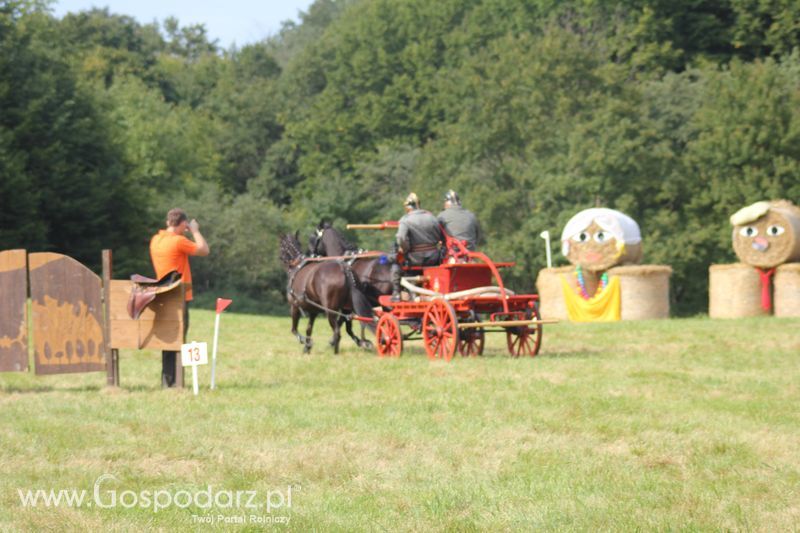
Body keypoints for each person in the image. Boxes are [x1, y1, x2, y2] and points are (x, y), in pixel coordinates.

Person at [149, 208, 210, 388]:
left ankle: (167, 381)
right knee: (178, 338)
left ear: (168, 222)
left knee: (169, 338)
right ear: (182, 224)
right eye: (185, 225)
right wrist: (195, 230)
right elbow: (204, 250)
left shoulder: (155, 240)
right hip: (179, 296)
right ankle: (175, 382)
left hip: (163, 295)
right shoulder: (178, 241)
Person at [391, 193, 444, 301]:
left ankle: (396, 293)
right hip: (434, 259)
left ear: (407, 207)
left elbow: (401, 238)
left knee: (395, 265)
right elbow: (441, 236)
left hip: (415, 259)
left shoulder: (405, 220)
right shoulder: (432, 218)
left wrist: (405, 249)